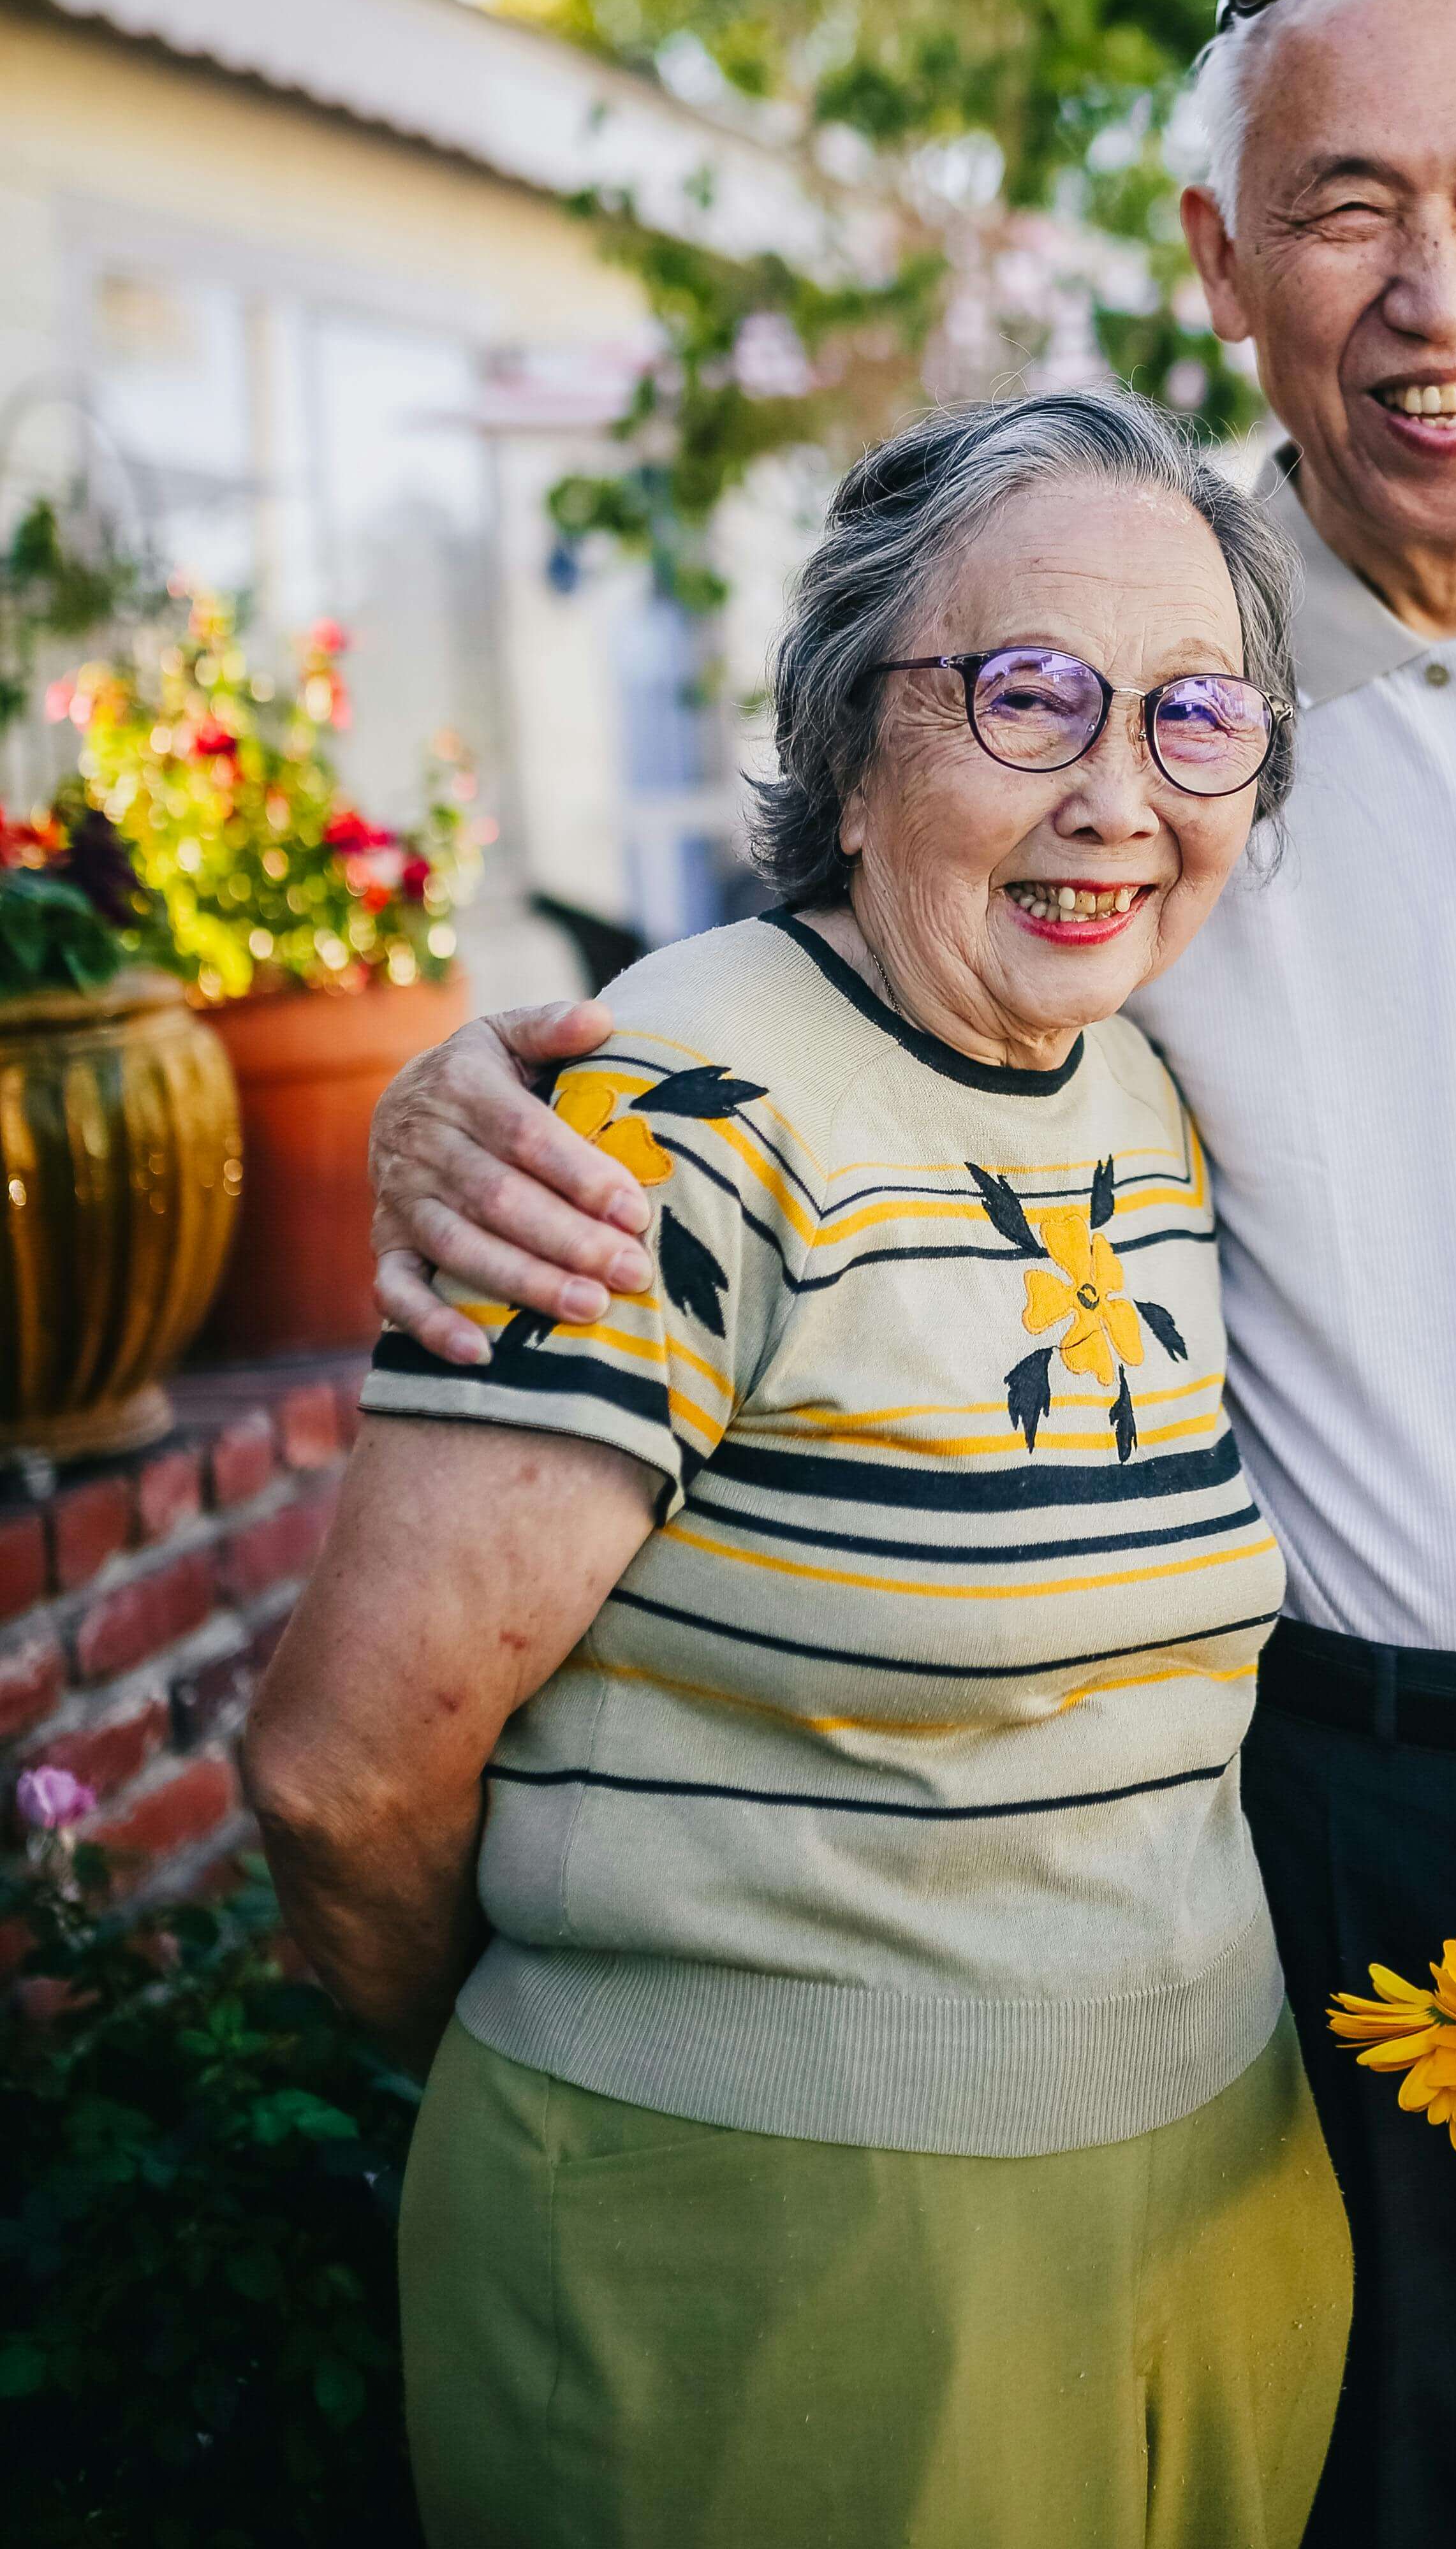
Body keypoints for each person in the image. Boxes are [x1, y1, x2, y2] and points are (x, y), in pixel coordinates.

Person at [367, 0, 1456, 2549]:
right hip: (1345, 1823)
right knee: (1396, 2508)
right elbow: (836, 947)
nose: (1436, 290)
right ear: (1217, 261)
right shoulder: (1156, 697)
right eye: (1345, 202)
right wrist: (460, 1081)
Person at [242, 392, 1352, 2549]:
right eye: (1030, 697)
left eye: (1195, 717)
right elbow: (338, 1775)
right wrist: (621, 2063)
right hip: (759, 2270)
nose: (1118, 793)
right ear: (852, 742)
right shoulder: (676, 1104)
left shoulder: (1138, 1090)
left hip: (1202, 2211)